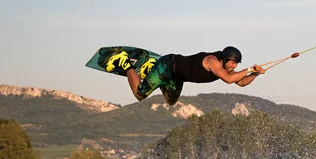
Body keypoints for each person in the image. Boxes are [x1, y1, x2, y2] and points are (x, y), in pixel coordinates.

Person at [105, 46, 265, 105]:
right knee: (140, 94)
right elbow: (230, 80)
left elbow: (242, 82)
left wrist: (255, 74)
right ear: (224, 59)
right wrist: (250, 68)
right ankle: (126, 63)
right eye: (232, 63)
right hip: (167, 66)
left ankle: (149, 72)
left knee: (171, 101)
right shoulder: (212, 61)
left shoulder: (225, 69)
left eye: (237, 64)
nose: (234, 67)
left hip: (177, 77)